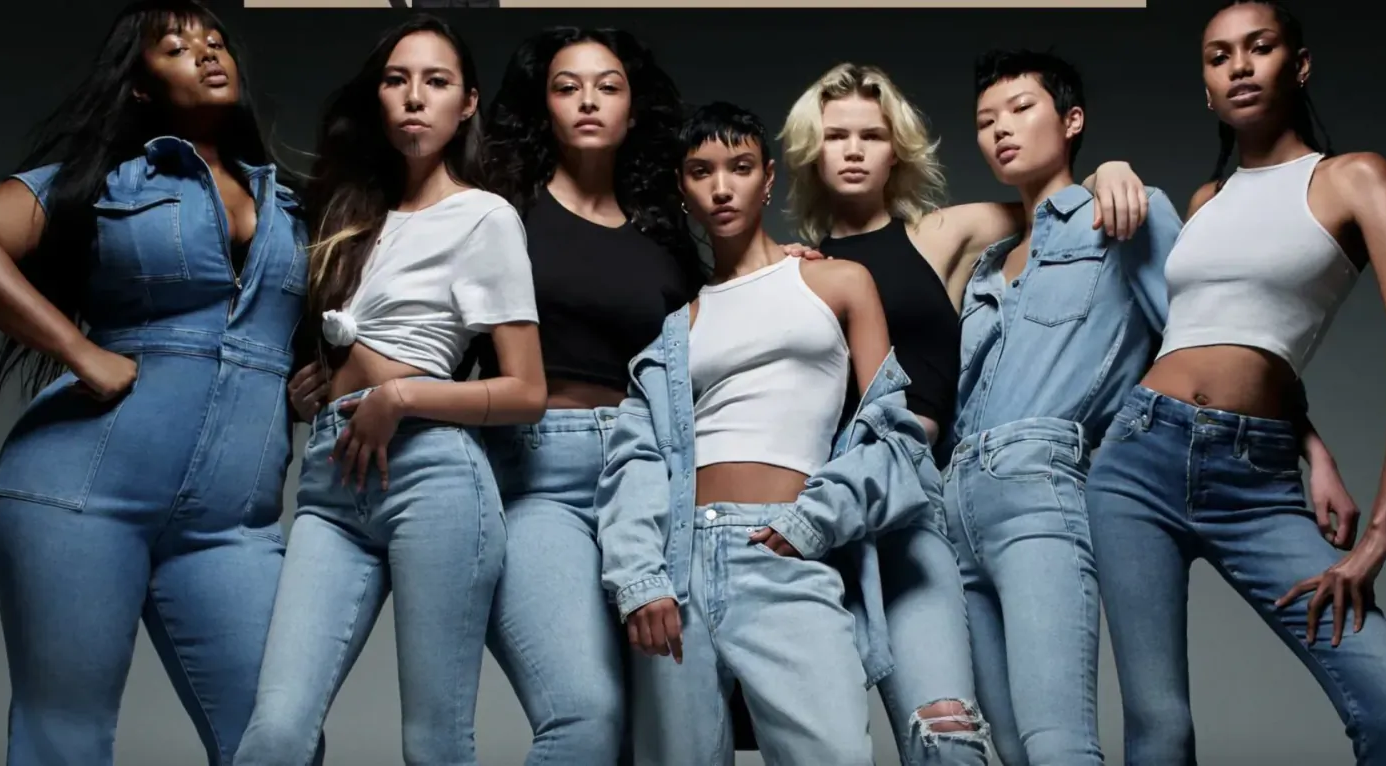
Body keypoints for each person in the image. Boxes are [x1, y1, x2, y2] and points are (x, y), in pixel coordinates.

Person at [0, 2, 319, 763]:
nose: (206, 54)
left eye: (215, 41)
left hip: (234, 522)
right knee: (63, 736)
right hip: (82, 491)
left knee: (281, 736)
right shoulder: (105, 182)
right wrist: (76, 349)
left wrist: (308, 383)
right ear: (138, 87)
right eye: (176, 47)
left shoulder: (291, 205)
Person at [1084, 2, 1386, 763]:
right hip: (1136, 461)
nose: (1240, 66)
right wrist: (1319, 446)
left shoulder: (1354, 178)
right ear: (1207, 87)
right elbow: (1205, 331)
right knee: (1160, 728)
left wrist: (1378, 534)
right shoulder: (1205, 204)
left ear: (1299, 65)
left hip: (1255, 480)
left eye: (1260, 47)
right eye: (1219, 57)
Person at [777, 61, 1152, 764]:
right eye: (834, 136)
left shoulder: (942, 234)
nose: (853, 150)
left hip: (930, 498)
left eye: (871, 134)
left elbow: (1058, 203)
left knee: (964, 734)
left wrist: (1112, 171)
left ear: (897, 151)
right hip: (838, 504)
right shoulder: (795, 268)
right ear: (809, 151)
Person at [232, 15, 546, 766]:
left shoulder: (484, 217)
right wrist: (322, 384)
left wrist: (400, 397)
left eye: (436, 82)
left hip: (432, 475)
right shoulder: (350, 214)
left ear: (466, 104)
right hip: (333, 481)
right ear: (377, 96)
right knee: (276, 731)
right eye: (397, 80)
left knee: (433, 743)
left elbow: (526, 389)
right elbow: (349, 338)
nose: (414, 97)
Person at [597, 101, 939, 765]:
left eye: (740, 167)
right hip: (679, 565)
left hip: (788, 546)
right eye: (702, 171)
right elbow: (634, 460)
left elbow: (891, 432)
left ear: (769, 178)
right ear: (683, 188)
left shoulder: (836, 282)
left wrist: (814, 521)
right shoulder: (675, 330)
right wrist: (641, 579)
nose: (722, 187)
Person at [466, 26, 702, 764]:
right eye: (567, 87)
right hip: (540, 476)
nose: (588, 101)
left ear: (633, 109)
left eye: (608, 85)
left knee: (658, 739)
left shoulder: (667, 233)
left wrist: (785, 262)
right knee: (585, 716)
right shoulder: (500, 212)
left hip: (653, 480)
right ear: (545, 107)